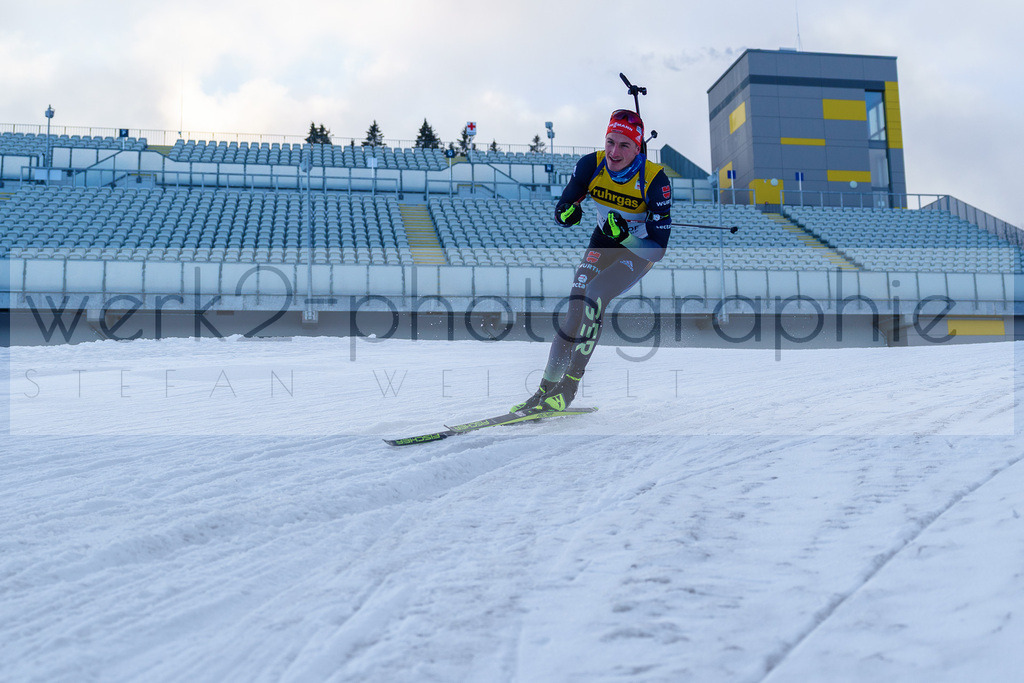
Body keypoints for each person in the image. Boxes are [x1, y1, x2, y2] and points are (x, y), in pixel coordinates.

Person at [513, 109, 672, 412]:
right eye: (610, 142)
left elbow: (657, 250)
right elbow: (565, 206)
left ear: (638, 147)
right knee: (575, 308)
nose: (614, 152)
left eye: (624, 145)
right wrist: (565, 214)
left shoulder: (654, 180)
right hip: (603, 240)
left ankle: (568, 388)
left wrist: (625, 236)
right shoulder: (591, 164)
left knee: (595, 296)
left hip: (636, 250)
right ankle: (544, 391)